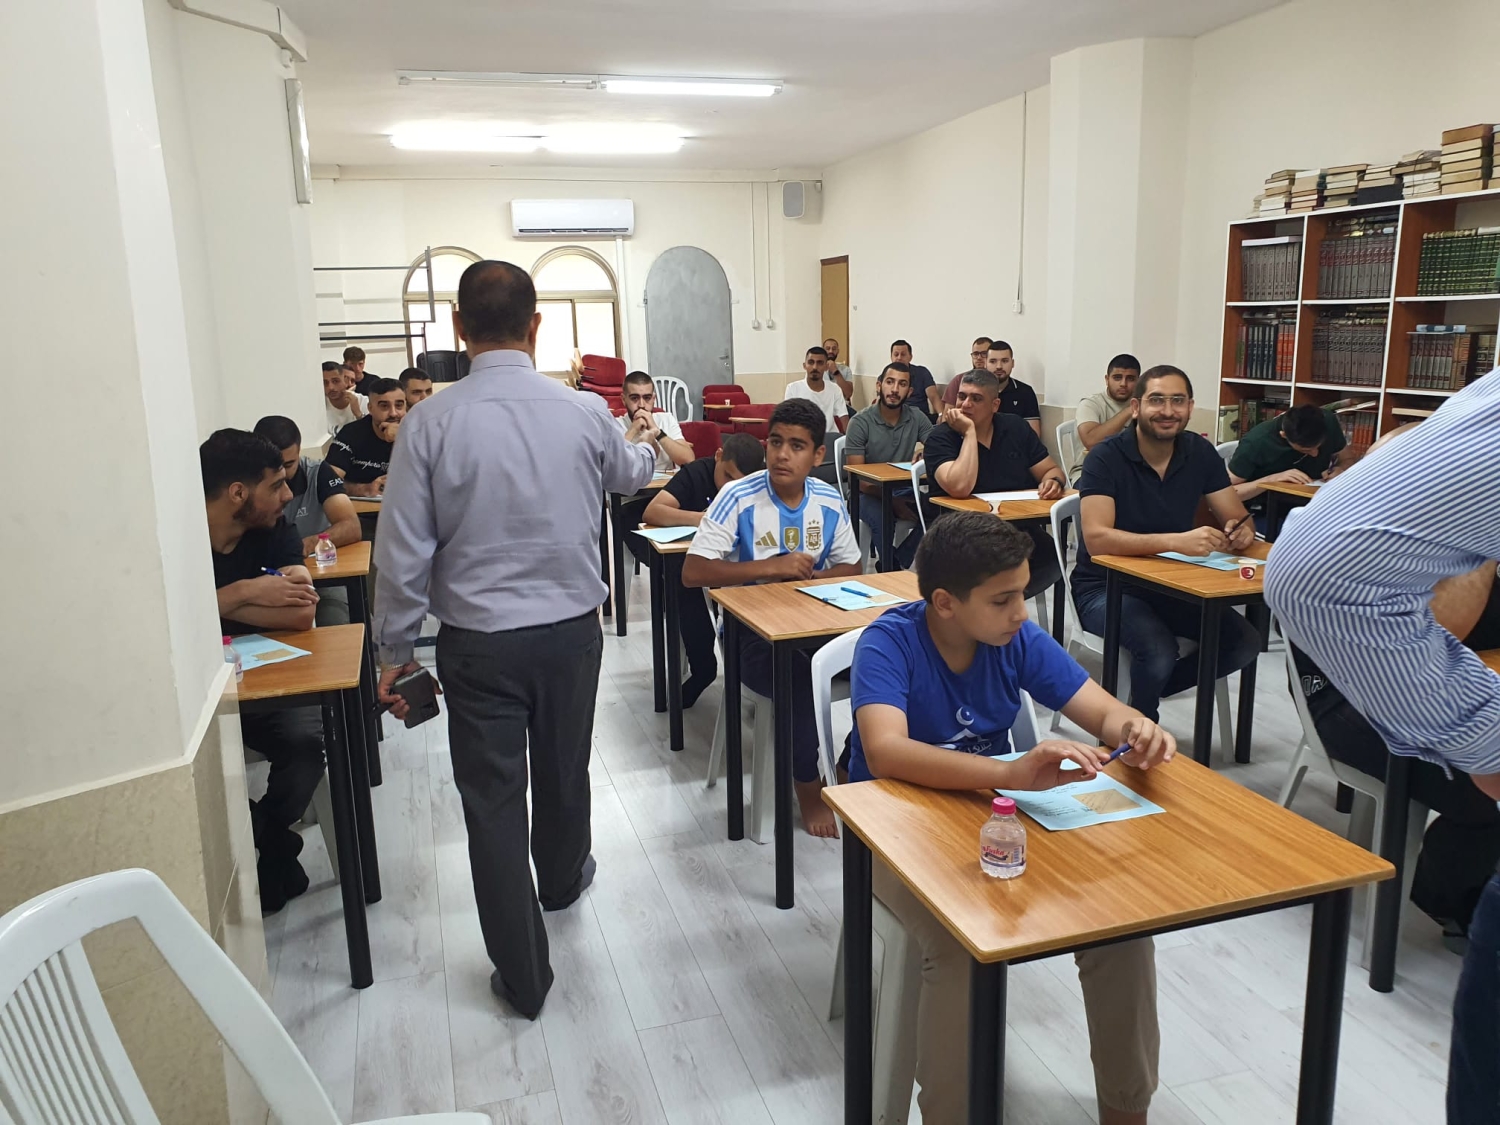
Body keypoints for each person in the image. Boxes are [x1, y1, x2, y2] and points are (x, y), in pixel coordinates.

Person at [372, 259, 660, 1020]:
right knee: (565, 768)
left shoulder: (429, 423)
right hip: (570, 637)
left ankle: (524, 976)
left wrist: (394, 653)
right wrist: (646, 441)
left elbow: (401, 552)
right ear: (536, 327)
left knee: (493, 802)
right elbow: (630, 474)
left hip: (477, 645)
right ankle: (561, 882)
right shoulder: (584, 411)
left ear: (458, 329)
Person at [851, 512, 1171, 1125]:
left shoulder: (1014, 638)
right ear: (945, 603)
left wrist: (1134, 728)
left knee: (1122, 926)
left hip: (992, 814)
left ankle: (1126, 1110)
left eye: (1023, 593)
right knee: (958, 946)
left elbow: (1102, 710)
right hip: (891, 826)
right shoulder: (888, 642)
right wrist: (1012, 771)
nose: (1021, 612)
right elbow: (885, 751)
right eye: (1003, 600)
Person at [1261, 371, 1500, 1121]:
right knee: (1472, 794)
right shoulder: (1435, 537)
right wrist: (1477, 551)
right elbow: (1441, 624)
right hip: (1350, 707)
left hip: (1418, 687)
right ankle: (1446, 899)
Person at [682, 399, 862, 837]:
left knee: (888, 660)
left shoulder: (827, 498)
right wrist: (769, 568)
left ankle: (848, 764)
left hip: (815, 623)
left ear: (818, 455)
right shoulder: (737, 497)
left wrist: (810, 578)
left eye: (797, 446)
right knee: (798, 677)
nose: (782, 454)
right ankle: (807, 784)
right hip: (749, 637)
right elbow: (693, 572)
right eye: (776, 442)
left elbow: (851, 567)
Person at [1071, 365, 1261, 722]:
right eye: (1157, 400)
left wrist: (1241, 531)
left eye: (1178, 401)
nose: (1168, 411)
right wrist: (1177, 541)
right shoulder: (1105, 457)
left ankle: (1139, 699)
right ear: (1136, 407)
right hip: (1104, 588)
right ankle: (1137, 732)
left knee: (1244, 641)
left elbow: (1236, 516)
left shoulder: (1199, 451)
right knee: (1157, 650)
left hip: (1173, 583)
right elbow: (1097, 540)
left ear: (1190, 407)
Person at [201, 429, 325, 915]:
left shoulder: (274, 529)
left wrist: (210, 607)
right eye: (275, 485)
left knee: (305, 744)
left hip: (270, 681)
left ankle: (268, 841)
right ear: (238, 493)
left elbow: (302, 613)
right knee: (204, 771)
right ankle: (277, 846)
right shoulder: (180, 541)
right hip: (205, 694)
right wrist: (246, 592)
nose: (288, 494)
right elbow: (169, 623)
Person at [642, 433, 767, 706]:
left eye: (739, 483)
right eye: (727, 476)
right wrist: (704, 519)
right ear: (718, 456)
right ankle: (703, 667)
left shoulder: (761, 485)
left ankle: (759, 670)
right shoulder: (697, 472)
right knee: (685, 583)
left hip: (741, 565)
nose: (730, 487)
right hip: (693, 561)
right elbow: (653, 512)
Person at [923, 368, 1066, 600]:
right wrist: (969, 433)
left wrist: (1053, 481)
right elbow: (959, 487)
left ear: (995, 405)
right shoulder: (941, 437)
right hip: (959, 533)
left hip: (1016, 527)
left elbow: (1051, 469)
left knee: (1053, 557)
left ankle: (999, 604)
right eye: (962, 396)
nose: (965, 405)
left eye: (976, 399)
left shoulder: (1015, 428)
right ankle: (990, 606)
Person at [253, 415, 362, 626]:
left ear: (299, 451)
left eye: (289, 464)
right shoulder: (246, 484)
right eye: (275, 467)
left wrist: (305, 545)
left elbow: (351, 526)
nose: (283, 474)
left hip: (321, 581)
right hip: (265, 583)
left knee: (337, 621)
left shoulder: (318, 472)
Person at [844, 361, 933, 569]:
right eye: (890, 382)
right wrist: (893, 503)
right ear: (879, 385)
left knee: (940, 510)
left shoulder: (916, 417)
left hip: (903, 489)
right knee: (882, 518)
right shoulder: (860, 422)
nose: (894, 389)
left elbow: (939, 446)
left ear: (909, 392)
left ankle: (897, 560)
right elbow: (859, 480)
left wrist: (927, 451)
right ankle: (889, 569)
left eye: (902, 384)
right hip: (865, 495)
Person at [1227, 403, 1359, 524]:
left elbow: (1348, 459)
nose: (1315, 454)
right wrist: (1271, 480)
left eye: (1319, 446)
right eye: (1306, 450)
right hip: (1267, 512)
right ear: (1284, 435)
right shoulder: (1256, 442)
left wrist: (1341, 470)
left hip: (1314, 507)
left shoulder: (1327, 421)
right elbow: (1227, 494)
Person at [327, 378, 406, 497]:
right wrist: (364, 489)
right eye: (384, 406)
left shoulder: (418, 433)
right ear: (370, 408)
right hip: (364, 506)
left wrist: (403, 438)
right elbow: (328, 481)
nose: (393, 413)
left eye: (399, 405)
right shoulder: (351, 433)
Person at [1075, 353, 1142, 451]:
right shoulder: (1090, 404)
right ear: (1107, 380)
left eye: (1130, 379)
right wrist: (1130, 410)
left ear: (1139, 381)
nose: (1123, 384)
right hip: (1093, 459)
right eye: (1117, 378)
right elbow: (1091, 443)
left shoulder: (1144, 403)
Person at [783, 346, 849, 431]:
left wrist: (849, 438)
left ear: (826, 367)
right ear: (804, 366)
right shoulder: (792, 388)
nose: (815, 367)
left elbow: (843, 416)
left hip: (829, 436)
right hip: (803, 436)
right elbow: (787, 419)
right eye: (811, 362)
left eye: (820, 363)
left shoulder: (835, 389)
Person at [985, 339, 1041, 435]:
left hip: (1016, 444)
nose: (999, 366)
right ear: (985, 363)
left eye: (1004, 361)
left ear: (1013, 363)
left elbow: (1034, 434)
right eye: (993, 361)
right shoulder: (976, 392)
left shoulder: (1025, 392)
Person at [890, 339, 938, 420]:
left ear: (910, 357)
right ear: (891, 357)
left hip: (921, 418)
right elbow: (880, 401)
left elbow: (934, 397)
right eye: (896, 354)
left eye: (903, 354)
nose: (899, 358)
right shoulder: (885, 377)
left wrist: (941, 415)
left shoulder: (922, 372)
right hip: (896, 418)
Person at [940, 336, 993, 407]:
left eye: (984, 354)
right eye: (975, 354)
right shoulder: (959, 380)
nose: (979, 358)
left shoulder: (997, 380)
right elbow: (948, 412)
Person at [323, 360, 365, 434]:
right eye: (325, 383)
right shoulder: (319, 406)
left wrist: (359, 414)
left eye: (335, 381)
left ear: (345, 381)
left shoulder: (362, 401)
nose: (330, 387)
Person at [822, 337, 854, 403]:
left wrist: (836, 372)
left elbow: (848, 394)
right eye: (828, 348)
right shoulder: (816, 369)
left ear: (838, 351)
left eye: (834, 349)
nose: (831, 351)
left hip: (841, 405)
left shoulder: (846, 369)